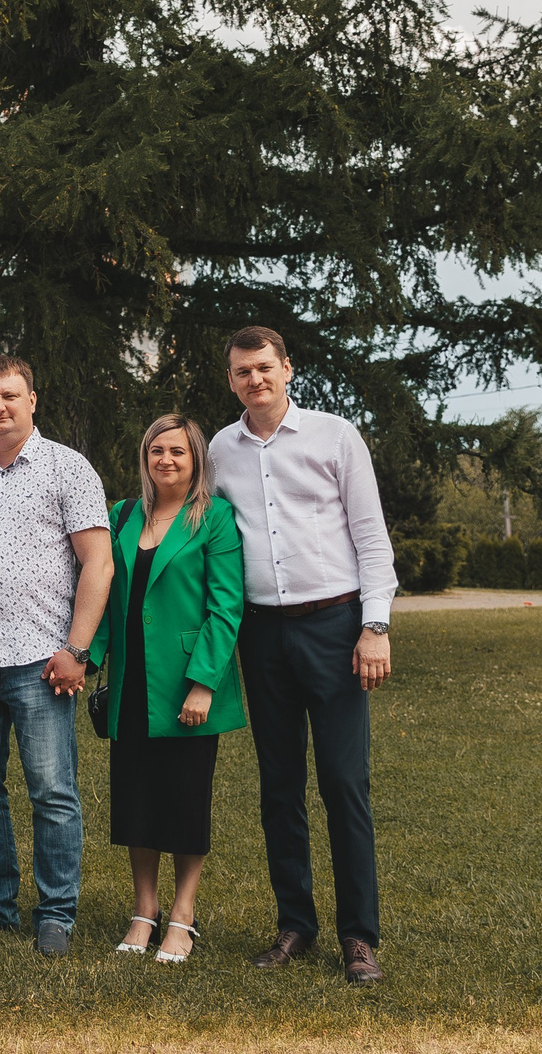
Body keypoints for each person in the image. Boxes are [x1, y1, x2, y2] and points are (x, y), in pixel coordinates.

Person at [207, 325, 395, 986]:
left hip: (337, 626)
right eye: (241, 371)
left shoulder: (334, 435)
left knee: (344, 783)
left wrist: (375, 625)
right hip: (262, 633)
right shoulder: (220, 450)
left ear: (287, 368)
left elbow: (371, 535)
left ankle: (358, 936)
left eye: (264, 367)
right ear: (230, 380)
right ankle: (295, 923)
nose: (253, 379)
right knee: (279, 785)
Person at [0, 354, 110, 957]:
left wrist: (77, 649)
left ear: (33, 400)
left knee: (52, 789)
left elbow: (98, 563)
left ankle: (56, 911)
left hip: (42, 659)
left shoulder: (68, 469)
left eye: (10, 396)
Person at [89, 414, 245, 965]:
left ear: (195, 458)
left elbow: (226, 608)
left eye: (178, 451)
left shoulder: (216, 519)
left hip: (187, 684)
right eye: (157, 451)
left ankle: (182, 916)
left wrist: (203, 683)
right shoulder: (122, 515)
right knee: (136, 800)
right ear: (145, 457)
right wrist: (91, 656)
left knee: (184, 799)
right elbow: (105, 593)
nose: (167, 461)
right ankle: (143, 912)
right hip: (133, 682)